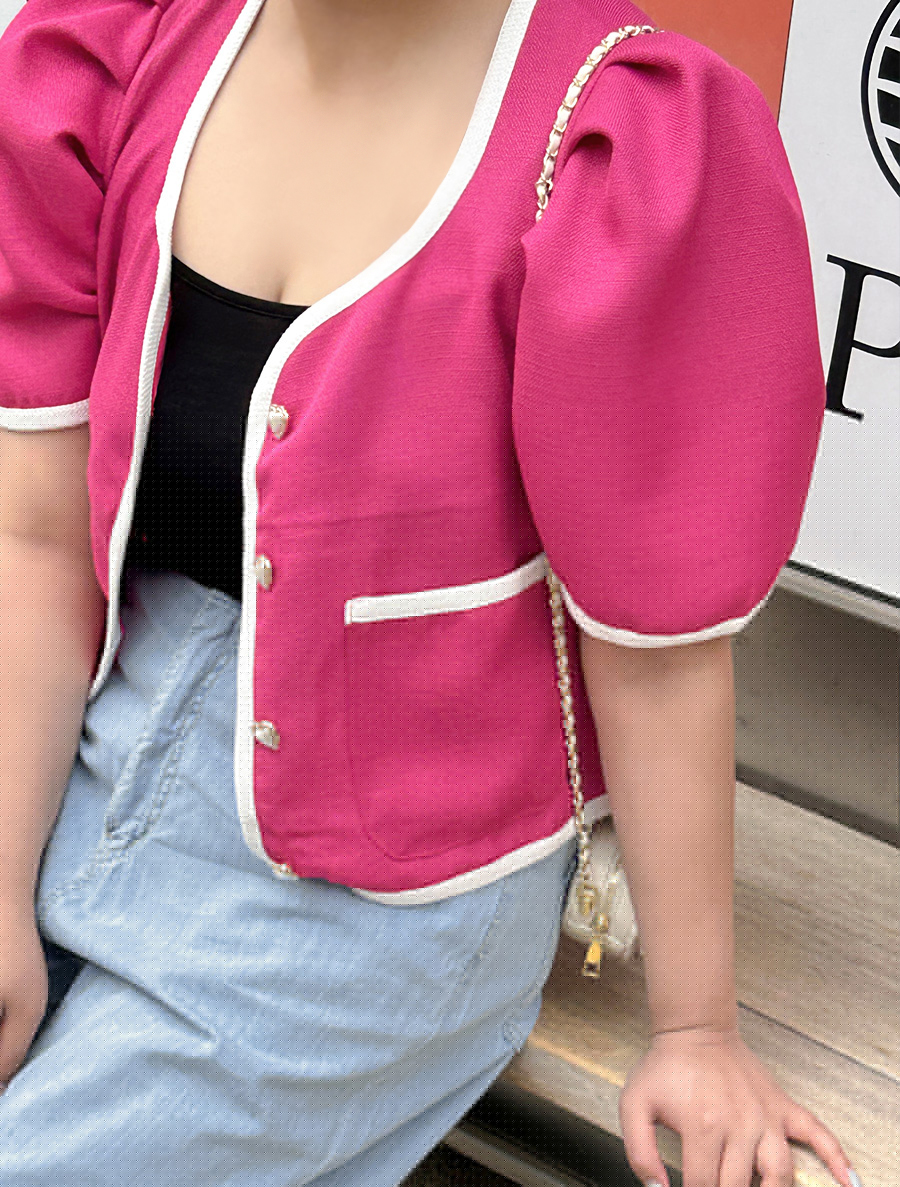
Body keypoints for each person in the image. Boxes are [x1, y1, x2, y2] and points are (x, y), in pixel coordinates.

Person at [0, 1, 862, 1185]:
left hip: (383, 893)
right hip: (79, 755)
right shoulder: (119, 51)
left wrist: (697, 1029)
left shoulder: (613, 132)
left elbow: (654, 652)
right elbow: (37, 537)